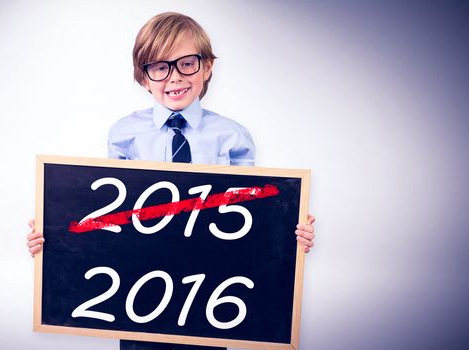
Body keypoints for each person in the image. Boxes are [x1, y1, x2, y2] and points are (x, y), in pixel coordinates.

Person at [26, 12, 316, 350]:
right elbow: (110, 214)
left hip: (208, 287)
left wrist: (289, 232)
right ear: (144, 77)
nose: (174, 77)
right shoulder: (124, 134)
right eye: (159, 67)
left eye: (187, 63)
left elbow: (251, 217)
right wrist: (56, 234)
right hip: (139, 287)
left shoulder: (232, 136)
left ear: (207, 67)